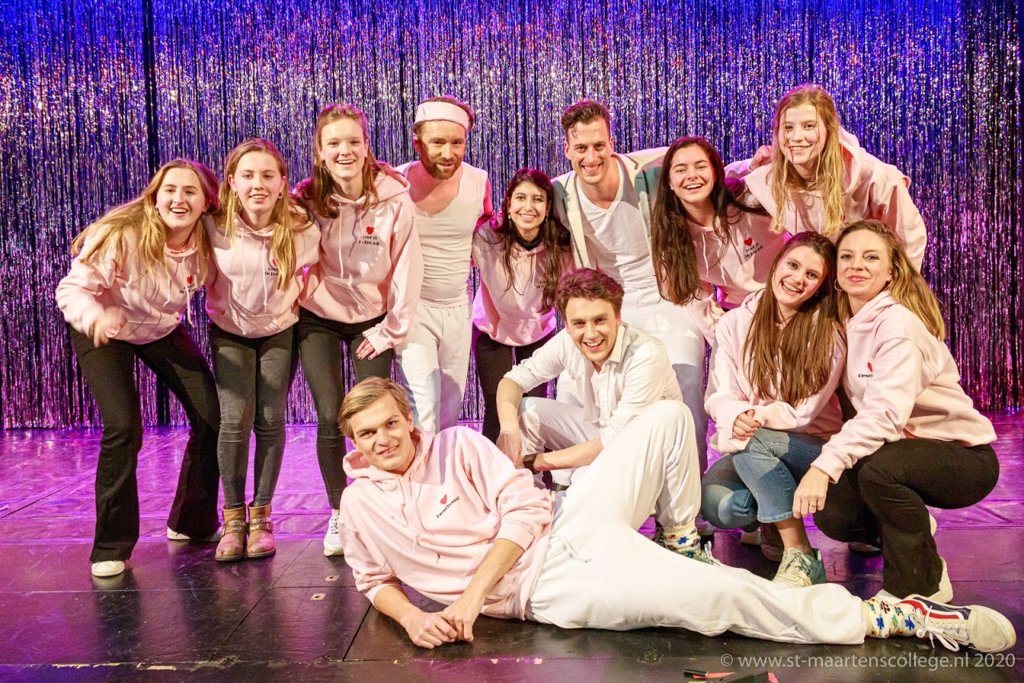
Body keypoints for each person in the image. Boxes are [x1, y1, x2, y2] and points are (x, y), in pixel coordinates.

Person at [336, 377, 1015, 654]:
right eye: (368, 434)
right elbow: (372, 579)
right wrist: (414, 618)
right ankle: (886, 616)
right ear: (355, 445)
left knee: (665, 414)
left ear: (409, 422)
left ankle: (683, 536)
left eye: (391, 424)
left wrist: (468, 598)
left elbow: (522, 509)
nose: (384, 439)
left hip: (567, 522)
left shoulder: (455, 445)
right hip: (553, 587)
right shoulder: (360, 504)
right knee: (722, 597)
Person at [794, 219, 1000, 603]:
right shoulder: (845, 322)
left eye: (871, 257)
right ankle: (918, 539)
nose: (857, 265)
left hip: (962, 456)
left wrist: (824, 466)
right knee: (834, 511)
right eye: (847, 256)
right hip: (900, 450)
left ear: (891, 271)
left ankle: (919, 587)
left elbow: (885, 415)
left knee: (878, 471)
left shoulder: (898, 325)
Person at [56, 159, 222, 578]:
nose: (178, 199)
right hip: (103, 325)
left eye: (190, 192)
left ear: (206, 202)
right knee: (123, 426)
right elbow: (72, 289)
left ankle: (191, 522)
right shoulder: (123, 233)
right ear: (155, 196)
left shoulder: (210, 240)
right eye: (170, 190)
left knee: (212, 416)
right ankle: (110, 545)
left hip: (160, 328)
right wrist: (95, 317)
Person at [493, 268, 710, 559]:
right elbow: (512, 381)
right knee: (525, 410)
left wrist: (535, 462)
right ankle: (528, 514)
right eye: (579, 323)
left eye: (599, 320)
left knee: (673, 412)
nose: (591, 333)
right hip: (607, 446)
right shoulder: (566, 342)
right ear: (567, 325)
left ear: (618, 318)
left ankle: (680, 541)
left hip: (649, 465)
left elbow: (613, 442)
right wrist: (509, 431)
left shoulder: (645, 354)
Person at [551, 100, 710, 475]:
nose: (591, 157)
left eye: (599, 145)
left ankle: (692, 488)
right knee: (571, 386)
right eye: (581, 148)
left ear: (612, 143)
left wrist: (753, 164)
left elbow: (706, 168)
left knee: (685, 378)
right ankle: (575, 489)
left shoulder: (649, 171)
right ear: (567, 150)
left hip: (667, 296)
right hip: (609, 306)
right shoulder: (559, 193)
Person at [294, 103, 423, 556]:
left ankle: (385, 507)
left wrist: (390, 330)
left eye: (353, 141)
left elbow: (408, 266)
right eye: (334, 143)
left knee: (376, 415)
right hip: (318, 317)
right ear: (320, 151)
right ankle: (340, 512)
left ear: (367, 147)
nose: (344, 151)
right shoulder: (306, 200)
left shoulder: (394, 198)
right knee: (331, 412)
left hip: (372, 321)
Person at [701, 233, 845, 587]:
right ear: (777, 263)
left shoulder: (829, 332)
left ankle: (800, 553)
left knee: (755, 442)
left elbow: (804, 412)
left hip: (810, 448)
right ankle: (770, 519)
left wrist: (756, 418)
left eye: (812, 275)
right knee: (719, 505)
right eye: (792, 265)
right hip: (755, 443)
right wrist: (736, 415)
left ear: (821, 286)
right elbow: (720, 393)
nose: (797, 279)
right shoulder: (735, 323)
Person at [205, 139, 319, 561]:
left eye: (268, 176)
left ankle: (262, 517)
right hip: (230, 332)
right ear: (232, 182)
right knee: (235, 420)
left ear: (282, 182)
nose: (258, 184)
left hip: (278, 332)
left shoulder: (301, 228)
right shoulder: (213, 226)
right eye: (248, 176)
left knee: (270, 419)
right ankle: (233, 519)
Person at [729, 84, 927, 271]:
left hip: (865, 280)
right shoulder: (770, 177)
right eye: (788, 127)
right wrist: (750, 165)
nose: (796, 137)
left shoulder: (869, 175)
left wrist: (899, 288)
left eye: (808, 126)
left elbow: (910, 237)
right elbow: (718, 177)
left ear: (829, 129)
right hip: (816, 282)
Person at [395, 95, 494, 434]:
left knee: (450, 407)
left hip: (457, 308)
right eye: (437, 142)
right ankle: (421, 468)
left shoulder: (478, 182)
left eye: (457, 143)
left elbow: (486, 232)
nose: (448, 153)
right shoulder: (395, 183)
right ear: (417, 143)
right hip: (413, 308)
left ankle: (441, 465)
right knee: (424, 403)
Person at [471, 169, 573, 441]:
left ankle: (534, 466)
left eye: (537, 199)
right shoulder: (486, 238)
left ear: (548, 208)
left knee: (532, 409)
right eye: (521, 198)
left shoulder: (561, 246)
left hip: (538, 332)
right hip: (492, 330)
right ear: (508, 204)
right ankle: (492, 465)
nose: (528, 206)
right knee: (497, 407)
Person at [650, 135, 786, 312]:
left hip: (789, 297)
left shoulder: (749, 202)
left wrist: (759, 165)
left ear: (714, 173)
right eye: (680, 170)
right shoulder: (674, 239)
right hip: (740, 313)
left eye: (701, 166)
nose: (692, 175)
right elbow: (696, 302)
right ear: (669, 182)